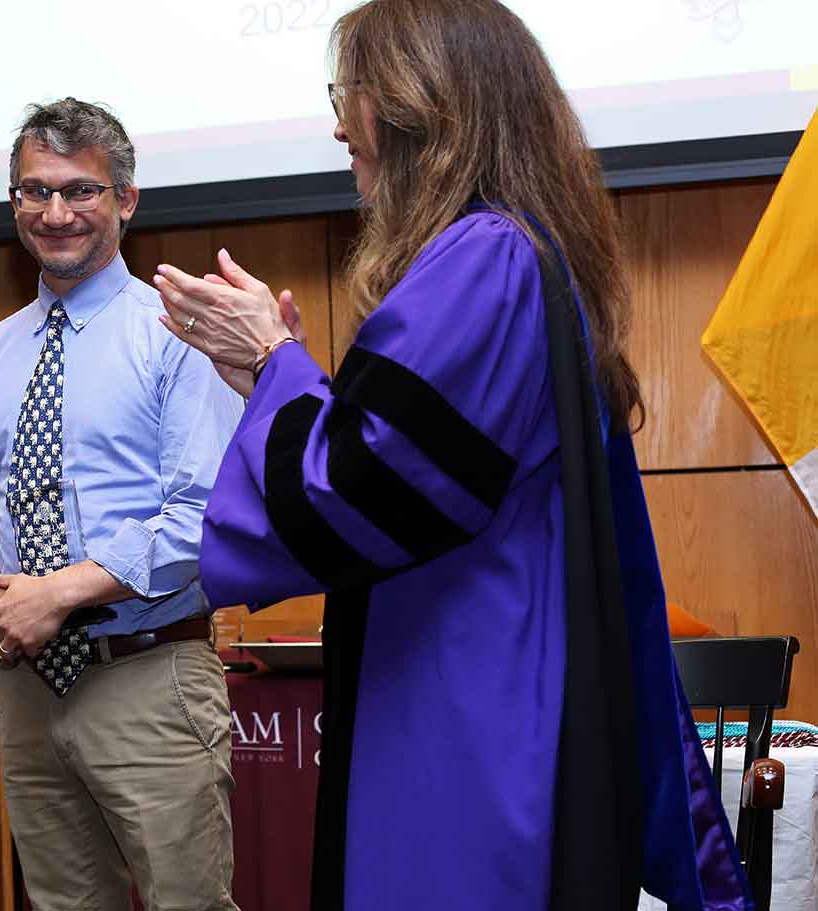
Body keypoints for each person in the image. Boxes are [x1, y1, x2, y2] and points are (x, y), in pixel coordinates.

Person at [152, 1, 751, 909]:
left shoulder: (483, 260)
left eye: (348, 95)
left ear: (416, 108)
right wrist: (271, 382)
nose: (338, 124)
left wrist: (280, 365)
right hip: (470, 667)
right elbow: (407, 469)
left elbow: (360, 488)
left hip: (468, 705)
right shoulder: (510, 251)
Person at [0, 98, 243, 910]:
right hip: (28, 691)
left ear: (126, 200)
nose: (55, 213)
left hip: (149, 678)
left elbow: (200, 517)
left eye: (80, 191)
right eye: (35, 192)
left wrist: (58, 593)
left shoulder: (182, 332)